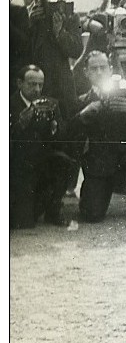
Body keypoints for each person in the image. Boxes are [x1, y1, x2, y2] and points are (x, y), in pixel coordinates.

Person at [70, 51, 126, 221]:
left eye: (103, 68)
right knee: (92, 215)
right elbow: (69, 130)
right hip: (100, 161)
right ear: (86, 73)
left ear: (110, 69)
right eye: (94, 68)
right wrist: (83, 115)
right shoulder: (84, 100)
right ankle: (99, 191)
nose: (99, 72)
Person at [10, 65, 70, 228]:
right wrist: (20, 124)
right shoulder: (9, 104)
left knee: (63, 161)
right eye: (31, 84)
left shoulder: (50, 104)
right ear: (19, 83)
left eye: (40, 85)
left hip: (41, 162)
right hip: (16, 168)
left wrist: (55, 129)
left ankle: (54, 209)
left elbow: (62, 139)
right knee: (23, 223)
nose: (37, 89)